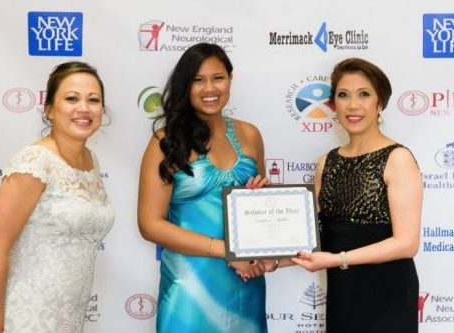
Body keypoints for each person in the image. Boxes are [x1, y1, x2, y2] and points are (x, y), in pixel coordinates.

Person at [137, 43, 275, 333]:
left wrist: (262, 199)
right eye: (197, 80)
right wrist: (226, 251)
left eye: (218, 77)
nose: (209, 88)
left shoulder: (250, 134)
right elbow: (150, 225)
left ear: (230, 80)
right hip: (189, 289)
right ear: (184, 86)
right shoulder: (166, 141)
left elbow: (257, 217)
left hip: (244, 285)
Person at [0, 61, 115, 333]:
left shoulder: (91, 161)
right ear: (49, 109)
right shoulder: (34, 162)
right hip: (28, 319)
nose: (84, 108)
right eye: (71, 98)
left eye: (93, 100)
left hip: (69, 320)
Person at [291, 58, 422, 333]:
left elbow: (406, 243)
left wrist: (338, 259)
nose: (353, 105)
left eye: (364, 94)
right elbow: (313, 236)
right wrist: (268, 257)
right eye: (343, 95)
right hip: (343, 295)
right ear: (333, 105)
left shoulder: (397, 158)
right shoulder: (326, 163)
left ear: (380, 103)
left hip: (388, 295)